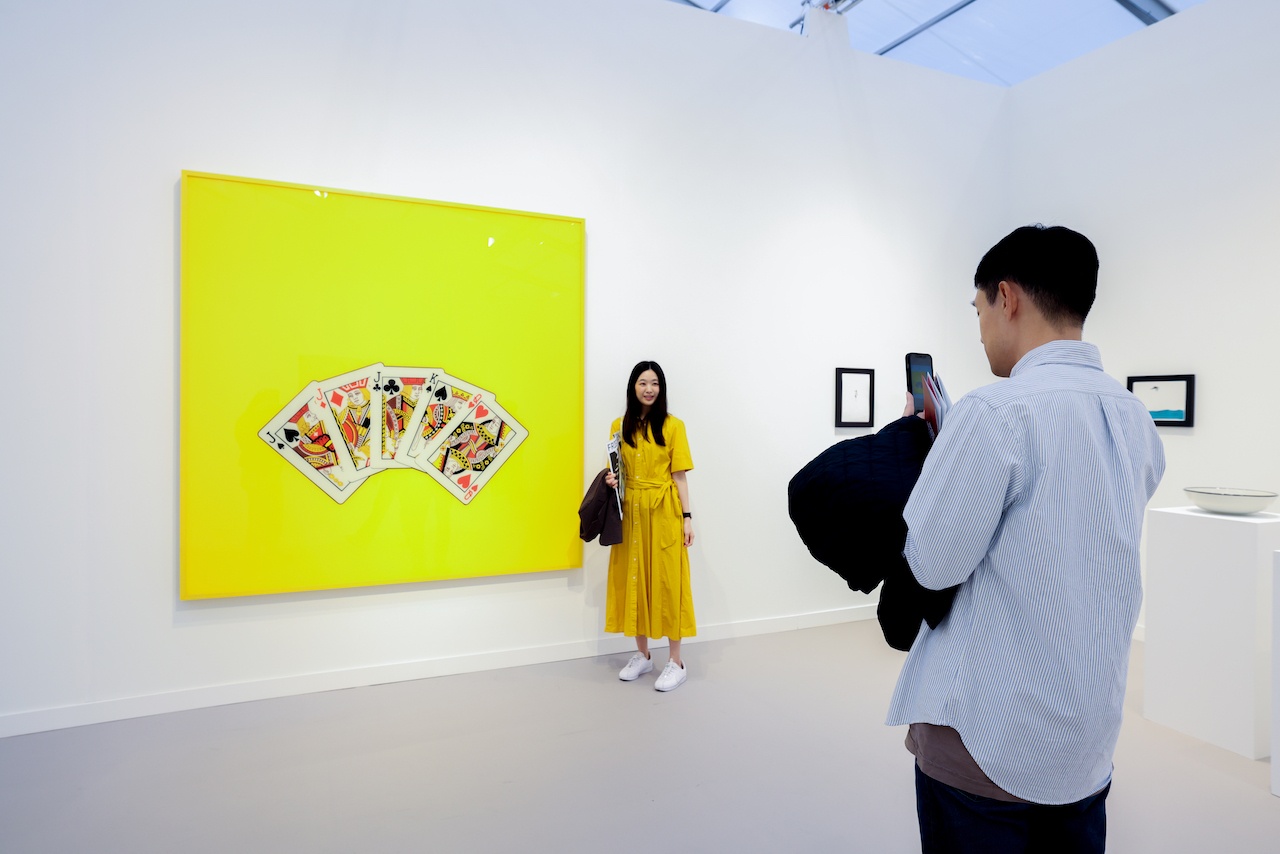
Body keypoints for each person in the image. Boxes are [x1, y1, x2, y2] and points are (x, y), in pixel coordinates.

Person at [885, 225, 1166, 852]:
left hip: (988, 740)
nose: (980, 328)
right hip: (1085, 744)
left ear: (1007, 297)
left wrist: (934, 461)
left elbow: (931, 565)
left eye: (979, 308)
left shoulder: (995, 411)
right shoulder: (1134, 418)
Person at [603, 360, 696, 692]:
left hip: (663, 510)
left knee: (670, 582)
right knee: (635, 579)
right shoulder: (619, 425)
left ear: (661, 388)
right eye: (643, 382)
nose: (649, 388)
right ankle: (642, 655)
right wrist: (613, 479)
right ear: (633, 387)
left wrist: (687, 518)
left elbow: (679, 476)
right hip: (631, 512)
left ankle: (676, 661)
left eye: (655, 383)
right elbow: (618, 470)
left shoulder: (673, 426)